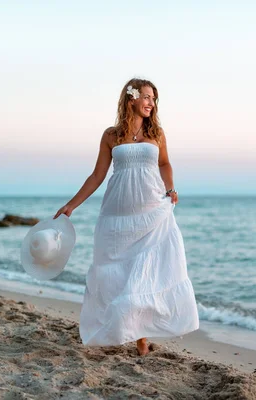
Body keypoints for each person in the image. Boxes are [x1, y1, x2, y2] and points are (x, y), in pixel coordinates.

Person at [54, 78, 199, 356]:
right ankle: (132, 333)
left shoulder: (156, 132)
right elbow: (97, 175)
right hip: (117, 216)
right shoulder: (111, 135)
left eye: (154, 99)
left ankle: (141, 340)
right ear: (130, 98)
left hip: (150, 212)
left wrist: (170, 188)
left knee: (143, 273)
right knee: (119, 273)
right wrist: (72, 205)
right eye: (146, 97)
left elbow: (165, 163)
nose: (150, 103)